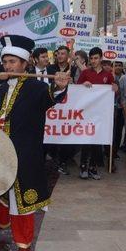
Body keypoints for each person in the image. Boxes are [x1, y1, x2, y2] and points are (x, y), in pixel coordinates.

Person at [0, 35, 70, 251]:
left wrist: (59, 86)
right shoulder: (1, 90)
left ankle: (23, 243)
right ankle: (0, 223)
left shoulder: (35, 88)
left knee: (21, 199)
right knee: (1, 193)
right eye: (6, 62)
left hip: (24, 155)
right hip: (0, 152)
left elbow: (52, 96)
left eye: (13, 62)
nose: (8, 66)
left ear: (24, 63)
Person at [77, 47, 115, 179]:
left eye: (96, 58)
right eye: (91, 58)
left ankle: (93, 168)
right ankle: (83, 167)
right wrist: (83, 85)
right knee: (86, 140)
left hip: (101, 114)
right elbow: (76, 90)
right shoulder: (85, 73)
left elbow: (113, 93)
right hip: (87, 113)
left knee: (97, 141)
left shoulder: (108, 75)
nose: (93, 61)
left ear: (101, 58)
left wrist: (115, 88)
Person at [49, 46, 78, 175]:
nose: (60, 56)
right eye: (58, 53)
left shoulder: (74, 69)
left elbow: (81, 86)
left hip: (68, 110)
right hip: (54, 108)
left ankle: (63, 161)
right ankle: (55, 159)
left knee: (68, 136)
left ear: (68, 56)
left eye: (63, 53)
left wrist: (73, 83)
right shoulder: (50, 69)